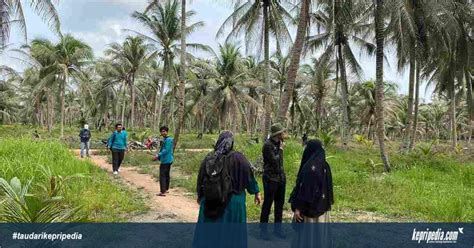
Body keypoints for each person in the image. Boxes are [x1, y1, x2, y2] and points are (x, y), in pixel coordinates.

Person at [194, 131, 261, 247]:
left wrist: (200, 196)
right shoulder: (239, 158)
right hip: (234, 203)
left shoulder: (209, 158)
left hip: (211, 201)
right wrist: (256, 192)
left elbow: (201, 179)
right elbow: (249, 177)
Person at [289, 139, 334, 223]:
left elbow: (306, 190)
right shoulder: (325, 165)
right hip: (322, 206)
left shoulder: (310, 169)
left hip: (309, 210)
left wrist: (298, 208)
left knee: (310, 234)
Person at [260, 123, 287, 239]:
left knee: (279, 205)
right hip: (270, 178)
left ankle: (278, 230)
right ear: (278, 134)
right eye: (282, 132)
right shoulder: (267, 145)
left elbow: (280, 164)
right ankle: (263, 231)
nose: (284, 134)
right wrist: (280, 150)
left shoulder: (278, 143)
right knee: (267, 204)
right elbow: (274, 161)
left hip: (280, 178)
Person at [153, 126, 174, 196]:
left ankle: (163, 191)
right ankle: (166, 189)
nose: (163, 132)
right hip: (168, 160)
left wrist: (158, 155)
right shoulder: (166, 139)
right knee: (166, 175)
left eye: (164, 131)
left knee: (162, 176)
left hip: (166, 160)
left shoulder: (168, 140)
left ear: (167, 132)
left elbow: (166, 150)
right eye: (162, 131)